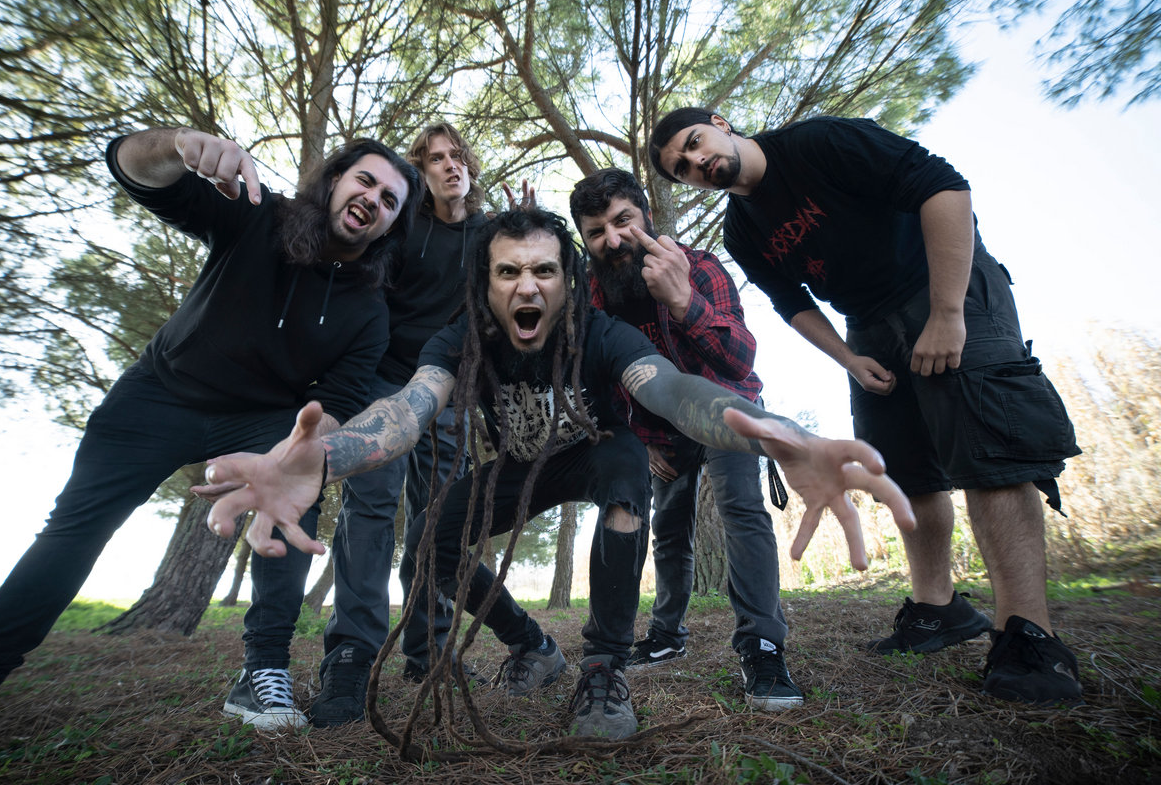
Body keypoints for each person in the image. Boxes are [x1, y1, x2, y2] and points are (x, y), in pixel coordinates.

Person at [195, 208, 916, 740]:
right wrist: (327, 457)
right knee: (428, 547)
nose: (527, 286)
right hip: (519, 466)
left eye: (544, 271)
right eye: (508, 272)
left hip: (600, 453)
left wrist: (780, 437)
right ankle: (531, 645)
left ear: (568, 282)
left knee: (625, 489)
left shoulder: (603, 333)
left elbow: (671, 390)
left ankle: (604, 669)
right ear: (486, 285)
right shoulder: (461, 339)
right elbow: (409, 411)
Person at [0, 127, 423, 729]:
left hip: (261, 418)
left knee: (294, 491)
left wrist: (301, 452)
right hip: (160, 393)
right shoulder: (261, 216)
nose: (373, 200)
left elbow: (335, 402)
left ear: (391, 225)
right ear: (336, 180)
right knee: (73, 529)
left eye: (390, 200)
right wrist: (176, 145)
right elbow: (136, 172)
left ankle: (262, 671)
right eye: (365, 181)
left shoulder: (369, 312)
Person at [648, 109, 1083, 706]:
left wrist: (947, 313)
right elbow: (791, 303)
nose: (697, 162)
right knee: (902, 472)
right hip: (868, 325)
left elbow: (944, 186)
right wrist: (849, 358)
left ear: (721, 125)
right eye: (682, 168)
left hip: (944, 286)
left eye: (695, 143)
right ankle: (937, 608)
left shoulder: (817, 142)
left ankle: (1031, 634)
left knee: (992, 457)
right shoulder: (741, 232)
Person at [569, 167, 801, 711]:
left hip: (725, 407)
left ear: (647, 216)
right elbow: (596, 383)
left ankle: (762, 645)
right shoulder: (591, 297)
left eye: (623, 220)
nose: (614, 239)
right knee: (669, 529)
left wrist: (681, 300)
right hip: (657, 429)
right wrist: (637, 439)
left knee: (741, 509)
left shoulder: (700, 267)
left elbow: (740, 357)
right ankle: (667, 633)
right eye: (596, 231)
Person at [312, 122, 485, 727]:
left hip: (449, 393)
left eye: (457, 156)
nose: (449, 165)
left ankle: (429, 650)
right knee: (372, 507)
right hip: (383, 382)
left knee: (440, 521)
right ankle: (352, 654)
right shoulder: (404, 225)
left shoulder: (489, 234)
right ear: (421, 172)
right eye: (435, 159)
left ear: (469, 166)